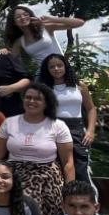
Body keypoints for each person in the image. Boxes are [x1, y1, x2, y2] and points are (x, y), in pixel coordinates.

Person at [0, 83, 74, 215]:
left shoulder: (58, 126)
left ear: (46, 103)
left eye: (37, 99)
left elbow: (68, 162)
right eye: (28, 97)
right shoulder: (9, 123)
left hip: (47, 176)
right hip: (15, 174)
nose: (31, 101)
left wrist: (70, 193)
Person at [39, 54, 97, 187]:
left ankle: (89, 202)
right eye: (52, 67)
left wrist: (90, 131)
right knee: (57, 168)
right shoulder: (44, 89)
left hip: (77, 129)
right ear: (47, 69)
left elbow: (91, 109)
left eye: (59, 65)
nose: (56, 69)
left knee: (81, 168)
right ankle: (62, 202)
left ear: (66, 66)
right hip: (53, 129)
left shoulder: (79, 86)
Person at [5, 6, 84, 77]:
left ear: (30, 15)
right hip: (43, 74)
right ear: (14, 22)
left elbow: (80, 23)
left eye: (25, 14)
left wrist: (52, 19)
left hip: (62, 70)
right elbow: (10, 59)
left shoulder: (45, 27)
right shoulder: (19, 41)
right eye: (18, 17)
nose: (22, 17)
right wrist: (3, 51)